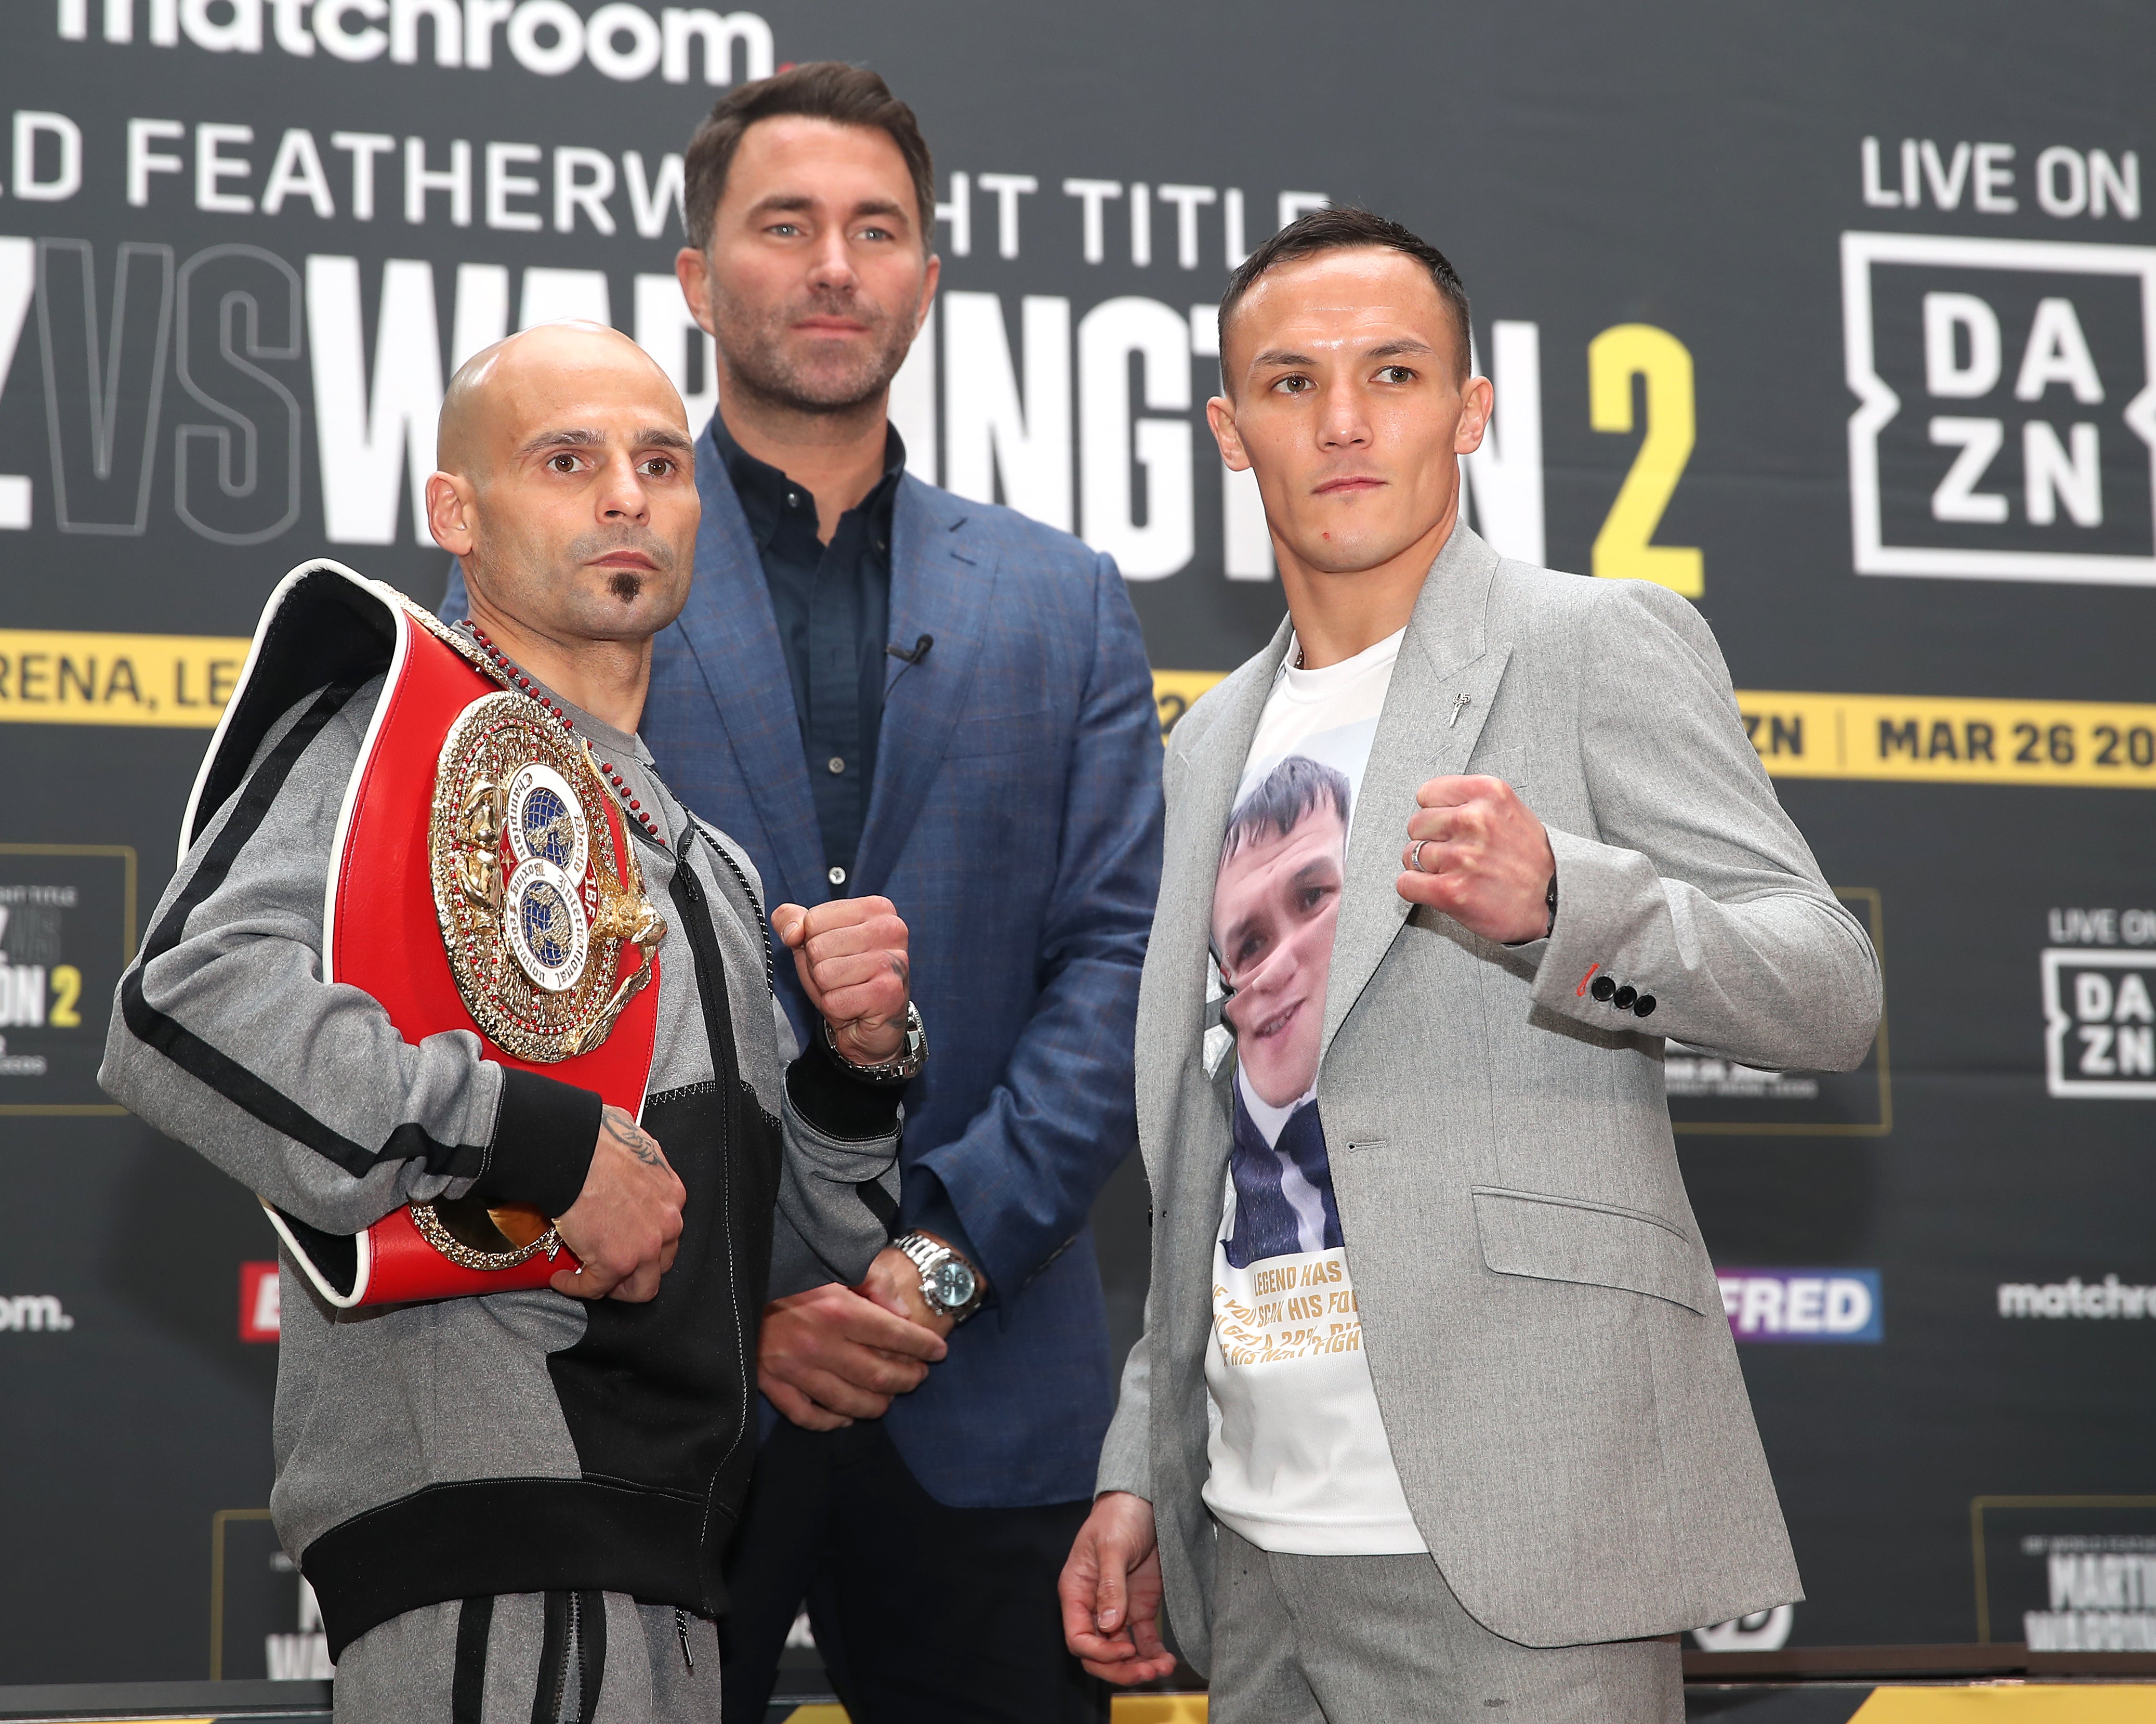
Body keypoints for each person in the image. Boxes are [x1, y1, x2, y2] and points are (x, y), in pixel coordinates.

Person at [1059, 207, 1884, 1723]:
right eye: (1293, 384)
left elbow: (1828, 984)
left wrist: (1568, 899)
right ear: (1229, 433)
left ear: (1473, 409)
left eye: (1394, 372)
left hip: (1521, 1525)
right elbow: (1212, 1148)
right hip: (1251, 1541)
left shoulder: (1590, 645)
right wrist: (1139, 1463)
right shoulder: (1205, 744)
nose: (1347, 420)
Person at [465, 59, 1162, 1724]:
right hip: (663, 1383)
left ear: (929, 270)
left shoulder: (1062, 600)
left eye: (877, 228)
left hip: (991, 1390)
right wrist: (763, 1292)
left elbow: (1119, 968)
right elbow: (515, 960)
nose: (834, 265)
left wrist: (926, 1265)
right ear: (700, 278)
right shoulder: (567, 559)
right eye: (786, 226)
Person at [100, 321, 926, 1724]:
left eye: (660, 463)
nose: (625, 495)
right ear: (455, 513)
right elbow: (181, 1006)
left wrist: (854, 1075)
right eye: (569, 459)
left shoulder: (704, 857)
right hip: (489, 1521)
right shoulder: (391, 730)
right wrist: (529, 1137)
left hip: (670, 1551)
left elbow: (753, 1244)